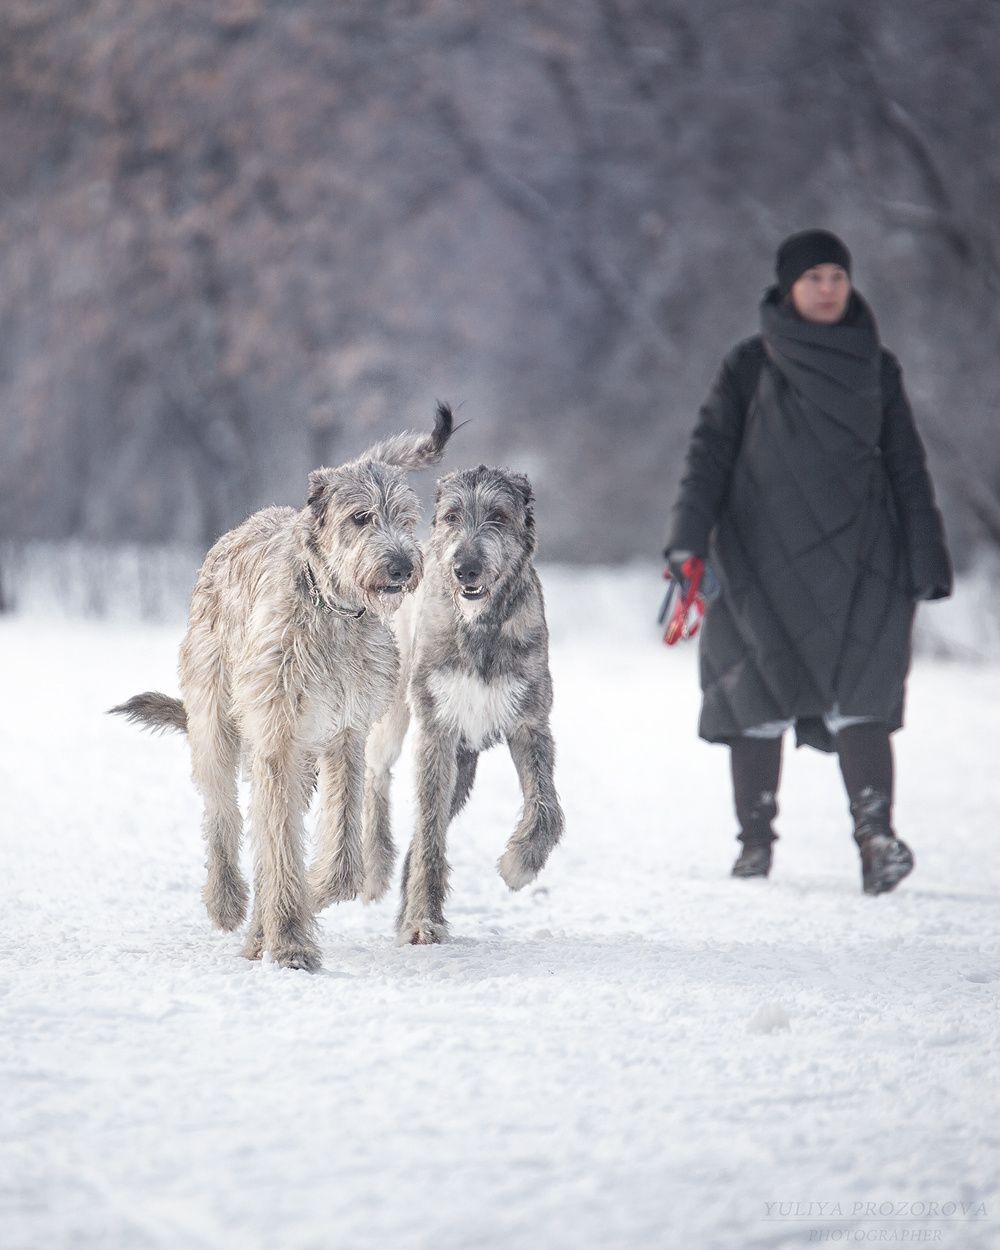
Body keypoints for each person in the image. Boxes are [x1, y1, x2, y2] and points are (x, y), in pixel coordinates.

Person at [664, 229, 952, 894]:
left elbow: (908, 464)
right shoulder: (748, 366)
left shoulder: (877, 367)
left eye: (837, 277)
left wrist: (926, 554)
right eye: (814, 277)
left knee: (865, 699)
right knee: (756, 695)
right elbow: (707, 455)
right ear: (788, 287)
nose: (827, 288)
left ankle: (877, 839)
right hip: (754, 557)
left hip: (865, 559)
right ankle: (755, 845)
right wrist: (687, 540)